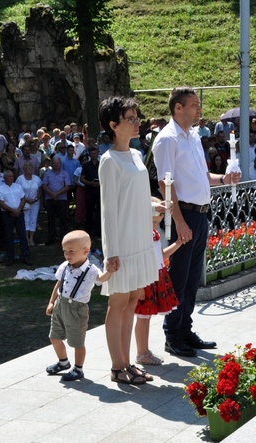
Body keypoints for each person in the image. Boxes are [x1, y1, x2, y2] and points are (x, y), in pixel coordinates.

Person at [152, 87, 240, 358]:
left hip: (199, 213)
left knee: (192, 278)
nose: (198, 109)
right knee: (179, 276)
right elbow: (165, 184)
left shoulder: (191, 136)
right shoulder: (167, 139)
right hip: (184, 214)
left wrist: (224, 179)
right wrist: (179, 222)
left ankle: (185, 329)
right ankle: (173, 334)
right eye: (193, 104)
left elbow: (202, 176)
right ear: (178, 108)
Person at [98, 97, 162, 384]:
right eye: (130, 118)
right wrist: (111, 253)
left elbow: (135, 200)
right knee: (119, 302)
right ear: (113, 125)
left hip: (140, 240)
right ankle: (117, 366)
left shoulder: (136, 155)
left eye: (137, 116)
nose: (138, 122)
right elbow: (109, 211)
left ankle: (127, 363)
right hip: (122, 244)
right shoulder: (109, 161)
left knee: (134, 299)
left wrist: (155, 208)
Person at [45, 230, 112, 382]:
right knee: (54, 337)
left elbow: (101, 279)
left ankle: (78, 368)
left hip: (77, 309)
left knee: (77, 342)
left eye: (71, 252)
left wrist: (109, 271)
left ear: (85, 251)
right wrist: (51, 302)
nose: (67, 255)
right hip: (60, 305)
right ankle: (63, 362)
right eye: (65, 252)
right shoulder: (65, 266)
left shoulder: (91, 270)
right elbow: (59, 283)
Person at [134, 198, 182, 366]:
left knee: (146, 317)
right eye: (153, 221)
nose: (155, 224)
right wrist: (140, 286)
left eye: (158, 221)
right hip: (146, 279)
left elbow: (160, 256)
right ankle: (141, 352)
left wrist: (178, 243)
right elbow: (139, 261)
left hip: (156, 277)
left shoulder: (154, 234)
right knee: (143, 317)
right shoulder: (140, 237)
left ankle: (144, 351)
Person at [0, 170, 32, 266]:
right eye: (8, 176)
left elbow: (23, 198)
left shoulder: (18, 187)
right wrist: (12, 210)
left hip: (19, 213)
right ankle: (10, 257)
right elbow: (1, 203)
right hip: (7, 214)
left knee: (22, 235)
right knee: (8, 236)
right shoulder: (0, 189)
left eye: (12, 176)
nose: (11, 178)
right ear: (4, 178)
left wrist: (19, 209)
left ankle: (26, 256)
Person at [42, 157, 72, 245]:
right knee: (50, 219)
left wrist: (57, 194)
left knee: (63, 219)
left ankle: (63, 239)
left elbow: (67, 186)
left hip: (62, 199)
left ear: (60, 164)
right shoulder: (47, 174)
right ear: (52, 164)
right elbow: (44, 185)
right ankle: (51, 238)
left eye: (57, 163)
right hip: (50, 199)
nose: (56, 164)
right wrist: (52, 194)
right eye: (54, 163)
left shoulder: (65, 174)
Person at [15, 162, 42, 247]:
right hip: (24, 203)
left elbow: (41, 190)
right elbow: (17, 191)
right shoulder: (20, 179)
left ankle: (31, 239)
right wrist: (26, 199)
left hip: (35, 202)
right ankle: (26, 238)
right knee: (26, 220)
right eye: (28, 168)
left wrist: (35, 199)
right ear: (24, 169)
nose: (30, 169)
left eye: (31, 167)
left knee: (33, 219)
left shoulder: (37, 178)